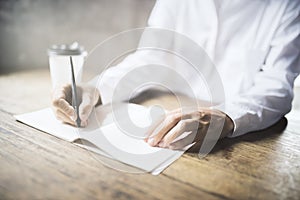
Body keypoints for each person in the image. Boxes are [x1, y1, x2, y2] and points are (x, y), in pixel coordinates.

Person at [52, 0, 300, 150]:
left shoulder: (288, 6)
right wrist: (97, 88)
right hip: (168, 111)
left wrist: (227, 117)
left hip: (248, 141)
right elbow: (151, 56)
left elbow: (277, 84)